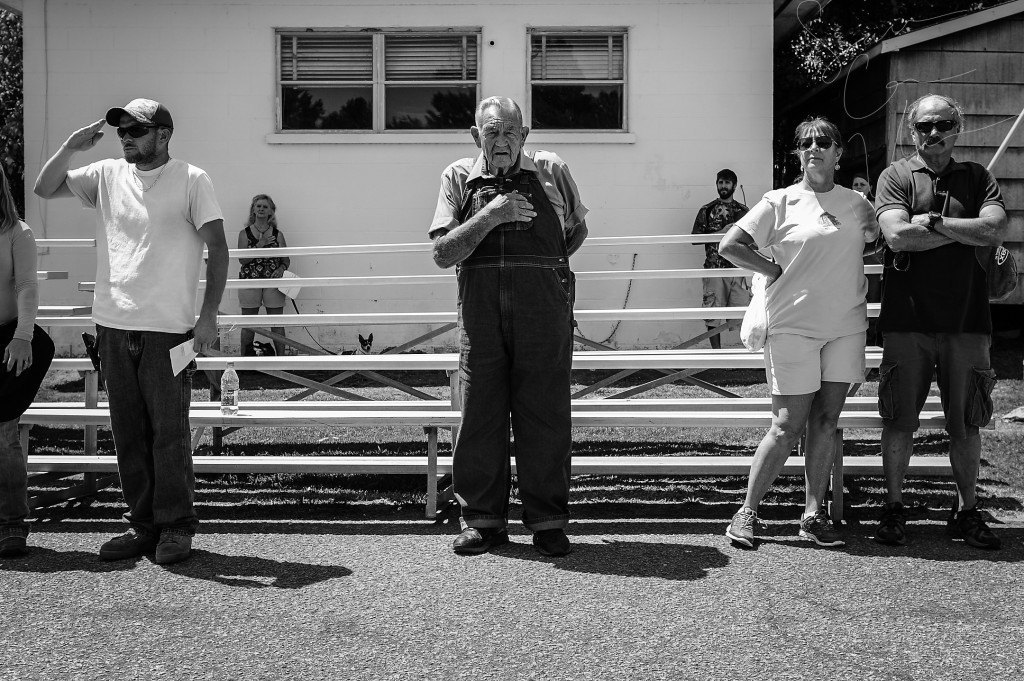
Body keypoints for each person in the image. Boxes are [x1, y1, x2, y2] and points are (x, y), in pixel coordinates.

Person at [34, 98, 228, 564]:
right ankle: (141, 525)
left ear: (163, 135)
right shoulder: (104, 175)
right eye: (122, 129)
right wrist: (70, 146)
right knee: (127, 433)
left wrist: (208, 317)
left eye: (137, 130)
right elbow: (44, 187)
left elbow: (218, 249)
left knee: (169, 434)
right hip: (113, 327)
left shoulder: (192, 179)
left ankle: (176, 527)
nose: (126, 137)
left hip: (169, 330)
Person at [430, 96, 588, 557]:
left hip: (543, 310)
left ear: (525, 135)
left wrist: (544, 272)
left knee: (546, 413)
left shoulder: (551, 170)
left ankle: (548, 522)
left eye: (510, 133)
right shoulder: (458, 177)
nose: (501, 142)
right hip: (481, 314)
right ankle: (483, 521)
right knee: (480, 414)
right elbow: (442, 254)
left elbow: (575, 233)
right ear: (475, 136)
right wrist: (494, 213)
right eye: (492, 133)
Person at [719, 116, 878, 549]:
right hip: (792, 327)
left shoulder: (857, 203)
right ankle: (746, 512)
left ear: (839, 153)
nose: (813, 148)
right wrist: (772, 269)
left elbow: (875, 240)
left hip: (845, 327)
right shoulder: (779, 201)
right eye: (805, 142)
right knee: (787, 425)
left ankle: (812, 516)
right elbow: (730, 245)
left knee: (826, 422)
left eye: (823, 141)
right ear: (797, 153)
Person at [872, 94, 1006, 550]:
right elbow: (895, 236)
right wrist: (959, 229)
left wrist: (930, 222)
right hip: (907, 322)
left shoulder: (979, 177)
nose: (934, 133)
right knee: (899, 422)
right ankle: (893, 507)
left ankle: (967, 511)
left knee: (966, 424)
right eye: (924, 126)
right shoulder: (895, 176)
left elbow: (993, 230)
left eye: (943, 124)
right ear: (912, 131)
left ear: (958, 127)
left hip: (967, 322)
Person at [1, 167, 55, 558]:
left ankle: (11, 524)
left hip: (8, 340)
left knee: (4, 434)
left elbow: (26, 286)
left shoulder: (17, 233)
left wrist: (22, 336)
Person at [692, 169, 750, 349]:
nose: (723, 186)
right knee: (713, 313)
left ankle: (749, 354)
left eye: (727, 183)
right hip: (714, 268)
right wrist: (721, 233)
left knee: (744, 312)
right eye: (720, 182)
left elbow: (754, 240)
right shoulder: (707, 210)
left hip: (738, 269)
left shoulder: (744, 211)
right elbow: (694, 239)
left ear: (734, 185)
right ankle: (717, 356)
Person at [238, 194, 290, 356]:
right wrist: (260, 245)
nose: (261, 209)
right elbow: (242, 260)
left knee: (276, 323)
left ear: (271, 212)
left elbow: (286, 259)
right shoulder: (244, 233)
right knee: (249, 324)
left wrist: (281, 269)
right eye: (258, 206)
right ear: (253, 210)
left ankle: (282, 361)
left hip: (272, 282)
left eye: (265, 207)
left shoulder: (277, 234)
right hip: (249, 281)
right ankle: (245, 362)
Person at [851, 172, 883, 344]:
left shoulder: (875, 208)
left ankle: (871, 341)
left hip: (872, 262)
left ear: (870, 187)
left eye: (862, 184)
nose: (858, 187)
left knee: (872, 301)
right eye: (855, 184)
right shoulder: (845, 207)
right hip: (850, 264)